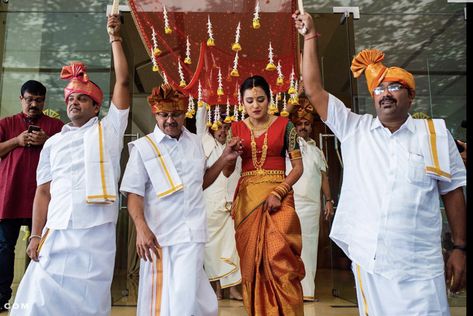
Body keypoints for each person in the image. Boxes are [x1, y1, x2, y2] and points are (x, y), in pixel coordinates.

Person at [294, 11, 466, 316]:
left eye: (394, 87)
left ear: (410, 96)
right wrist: (309, 37)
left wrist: (460, 247)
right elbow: (314, 89)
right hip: (371, 261)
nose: (385, 95)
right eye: (379, 89)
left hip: (421, 263)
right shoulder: (355, 129)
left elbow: (452, 192)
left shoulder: (434, 134)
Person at [11, 14, 129, 316]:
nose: (73, 103)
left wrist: (115, 38)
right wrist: (36, 235)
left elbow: (124, 81)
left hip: (95, 232)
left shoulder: (110, 131)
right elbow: (43, 193)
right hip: (57, 230)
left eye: (81, 99)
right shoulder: (53, 142)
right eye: (70, 99)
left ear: (96, 106)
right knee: (36, 299)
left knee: (88, 305)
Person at [120, 83, 241, 316]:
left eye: (175, 114)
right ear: (155, 114)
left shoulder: (195, 142)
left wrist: (225, 158)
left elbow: (201, 181)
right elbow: (134, 193)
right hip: (158, 237)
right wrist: (141, 228)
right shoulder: (144, 148)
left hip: (193, 233)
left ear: (184, 113)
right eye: (163, 115)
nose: (169, 120)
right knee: (164, 297)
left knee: (187, 296)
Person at [226, 75, 305, 315]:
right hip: (248, 203)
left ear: (269, 99)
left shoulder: (285, 125)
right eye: (249, 100)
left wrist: (279, 192)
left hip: (279, 199)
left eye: (260, 99)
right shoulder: (236, 128)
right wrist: (230, 153)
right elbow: (228, 171)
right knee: (252, 265)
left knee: (281, 262)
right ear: (242, 103)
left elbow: (298, 167)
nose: (255, 105)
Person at [0, 80, 63, 311]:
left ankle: (36, 297)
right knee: (5, 247)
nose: (33, 104)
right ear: (21, 99)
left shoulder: (55, 126)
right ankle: (2, 297)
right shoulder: (7, 124)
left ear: (44, 101)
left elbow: (69, 152)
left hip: (44, 198)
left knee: (42, 248)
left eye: (38, 100)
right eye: (29, 99)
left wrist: (48, 141)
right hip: (11, 196)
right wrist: (16, 141)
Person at [287, 96, 334, 301]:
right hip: (290, 203)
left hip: (312, 206)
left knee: (309, 245)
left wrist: (329, 201)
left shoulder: (317, 151)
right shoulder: (289, 147)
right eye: (299, 124)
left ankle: (307, 291)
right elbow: (281, 120)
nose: (303, 127)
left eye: (306, 124)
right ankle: (289, 291)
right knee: (289, 246)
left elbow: (324, 177)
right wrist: (294, 98)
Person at [195, 105, 242, 300]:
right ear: (212, 128)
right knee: (211, 249)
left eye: (225, 127)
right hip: (210, 205)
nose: (222, 131)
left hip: (230, 204)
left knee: (232, 248)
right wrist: (206, 96)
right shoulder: (203, 141)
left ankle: (232, 288)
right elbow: (200, 118)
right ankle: (216, 288)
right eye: (219, 127)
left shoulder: (235, 146)